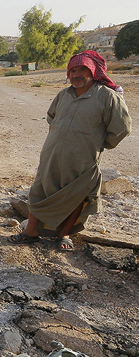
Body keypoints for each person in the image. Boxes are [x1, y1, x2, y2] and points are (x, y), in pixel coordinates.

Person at [9, 50, 131, 251]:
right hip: (52, 155)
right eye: (73, 70)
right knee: (40, 191)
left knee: (77, 195)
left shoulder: (107, 97)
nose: (76, 75)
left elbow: (122, 128)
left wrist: (98, 143)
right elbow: (51, 117)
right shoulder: (63, 95)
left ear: (93, 71)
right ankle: (30, 231)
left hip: (83, 159)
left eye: (82, 69)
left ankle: (63, 234)